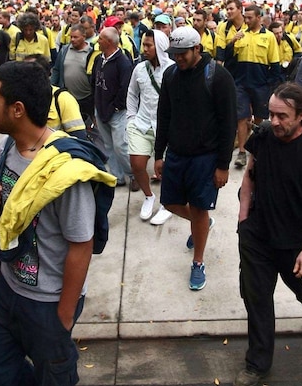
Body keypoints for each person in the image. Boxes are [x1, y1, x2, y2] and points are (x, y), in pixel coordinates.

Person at [0, 61, 112, 386]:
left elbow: (82, 244)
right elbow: (12, 212)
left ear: (17, 109)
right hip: (5, 286)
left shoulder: (65, 172)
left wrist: (63, 316)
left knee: (55, 382)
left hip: (46, 302)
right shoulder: (6, 147)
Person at [233, 83, 302, 386]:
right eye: (271, 114)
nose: (274, 121)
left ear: (301, 116)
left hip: (294, 242)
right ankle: (257, 364)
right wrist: (243, 217)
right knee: (257, 298)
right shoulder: (264, 135)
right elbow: (249, 174)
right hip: (258, 236)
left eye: (283, 116)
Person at [155, 26, 237, 290]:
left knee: (200, 208)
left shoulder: (219, 77)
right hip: (177, 154)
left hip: (205, 157)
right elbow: (164, 115)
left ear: (197, 49)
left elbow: (228, 124)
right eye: (174, 54)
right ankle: (201, 223)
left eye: (183, 54)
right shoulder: (170, 75)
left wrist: (223, 165)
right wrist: (158, 153)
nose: (178, 58)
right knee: (169, 203)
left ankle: (198, 262)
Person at [228, 4, 282, 169]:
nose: (247, 20)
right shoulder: (240, 34)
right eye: (246, 17)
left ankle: (255, 148)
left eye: (250, 17)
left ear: (259, 18)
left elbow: (275, 63)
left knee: (259, 117)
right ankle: (242, 152)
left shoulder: (269, 37)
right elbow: (229, 61)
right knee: (242, 117)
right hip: (241, 83)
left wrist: (270, 85)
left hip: (260, 84)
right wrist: (232, 43)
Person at [127, 30, 173, 221]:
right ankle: (148, 196)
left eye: (148, 45)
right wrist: (130, 119)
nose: (144, 49)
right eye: (143, 44)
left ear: (160, 47)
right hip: (142, 123)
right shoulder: (139, 69)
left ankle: (167, 203)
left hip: (168, 127)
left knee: (168, 168)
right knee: (137, 164)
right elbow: (132, 94)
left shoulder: (173, 69)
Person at [93, 27, 135, 188]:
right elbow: (94, 83)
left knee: (121, 146)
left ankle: (133, 174)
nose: (98, 41)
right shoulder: (99, 59)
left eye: (101, 39)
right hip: (101, 109)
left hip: (117, 113)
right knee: (108, 146)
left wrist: (116, 107)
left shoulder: (123, 62)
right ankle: (117, 177)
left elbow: (125, 88)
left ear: (109, 42)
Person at [51, 24, 95, 120]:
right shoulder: (64, 50)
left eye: (75, 37)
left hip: (86, 98)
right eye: (71, 37)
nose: (72, 40)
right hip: (67, 97)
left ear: (84, 37)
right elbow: (56, 70)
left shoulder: (92, 52)